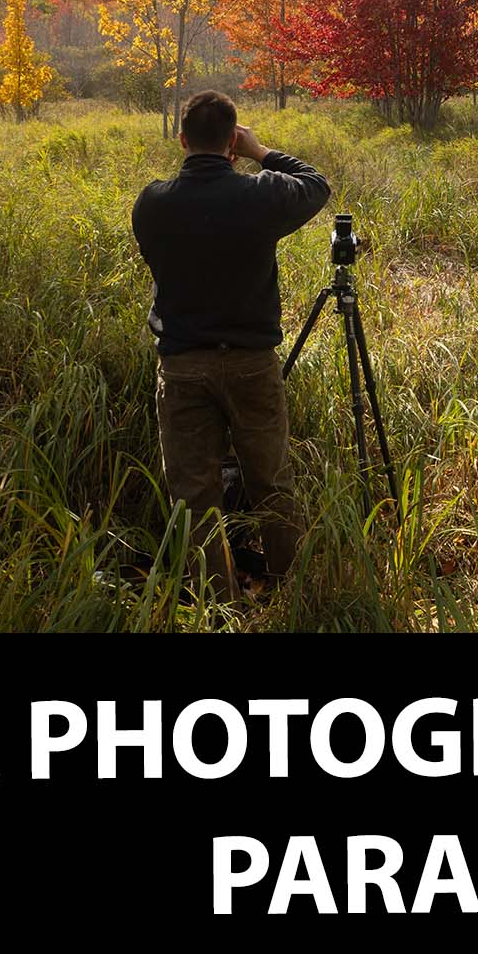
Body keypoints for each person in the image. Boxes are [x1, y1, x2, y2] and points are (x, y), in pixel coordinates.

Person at [131, 88, 331, 603]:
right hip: (250, 363)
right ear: (231, 143)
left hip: (182, 365)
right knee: (271, 480)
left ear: (181, 140)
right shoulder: (258, 194)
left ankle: (216, 600)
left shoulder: (153, 204)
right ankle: (293, 592)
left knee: (194, 496)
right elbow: (315, 184)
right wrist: (261, 152)